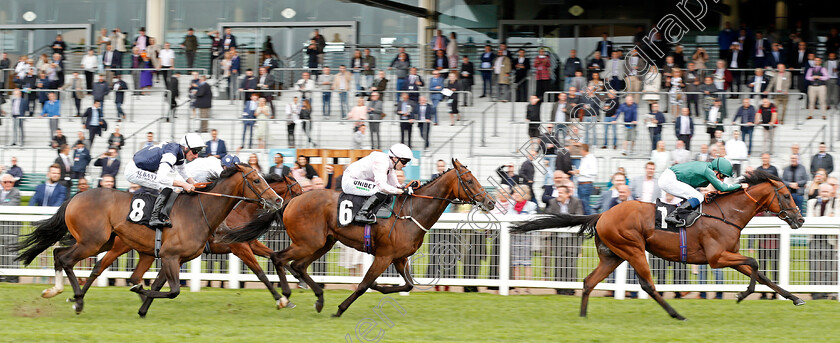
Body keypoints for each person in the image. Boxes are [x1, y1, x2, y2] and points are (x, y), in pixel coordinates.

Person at [123, 133, 204, 227]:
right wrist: (183, 184)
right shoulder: (171, 155)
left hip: (142, 167)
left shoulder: (179, 151)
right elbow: (161, 178)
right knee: (167, 185)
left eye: (199, 151)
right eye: (195, 151)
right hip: (134, 170)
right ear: (186, 148)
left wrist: (194, 183)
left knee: (169, 185)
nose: (196, 155)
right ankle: (154, 218)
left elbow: (182, 170)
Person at [660, 158, 745, 227]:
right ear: (715, 171)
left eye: (725, 177)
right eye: (722, 176)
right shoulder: (708, 171)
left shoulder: (707, 168)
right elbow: (722, 187)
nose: (722, 180)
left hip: (669, 177)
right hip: (669, 179)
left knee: (694, 196)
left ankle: (681, 216)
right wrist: (740, 186)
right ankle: (673, 216)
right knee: (699, 197)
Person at [341, 144, 412, 224]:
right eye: (404, 161)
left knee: (388, 191)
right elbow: (382, 187)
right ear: (395, 158)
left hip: (357, 180)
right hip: (350, 181)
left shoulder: (390, 164)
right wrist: (401, 191)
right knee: (381, 190)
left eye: (407, 162)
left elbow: (396, 186)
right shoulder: (381, 162)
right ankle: (362, 213)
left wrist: (407, 188)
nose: (405, 165)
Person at [806, 183, 839, 300]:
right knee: (813, 265)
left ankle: (825, 290)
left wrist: (819, 219)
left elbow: (836, 218)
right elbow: (809, 219)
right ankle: (814, 291)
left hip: (828, 239)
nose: (824, 194)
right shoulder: (812, 203)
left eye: (827, 192)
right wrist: (827, 218)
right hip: (814, 237)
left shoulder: (836, 203)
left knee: (828, 266)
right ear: (819, 192)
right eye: (823, 191)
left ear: (831, 193)